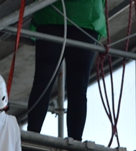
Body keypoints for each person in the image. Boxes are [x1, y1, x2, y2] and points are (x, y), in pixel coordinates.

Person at [27, 0, 107, 140]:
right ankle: (75, 142)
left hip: (52, 15)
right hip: (87, 17)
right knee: (78, 88)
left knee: (43, 82)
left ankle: (32, 136)